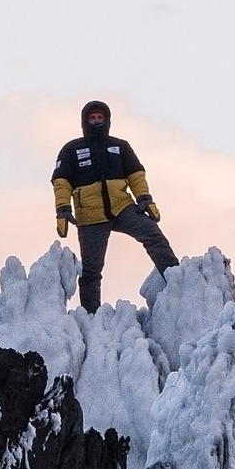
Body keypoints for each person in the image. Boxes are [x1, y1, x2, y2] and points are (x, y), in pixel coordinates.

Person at [53, 100, 179, 311]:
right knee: (92, 270)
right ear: (84, 122)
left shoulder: (120, 146)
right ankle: (92, 316)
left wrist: (145, 198)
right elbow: (61, 182)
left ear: (107, 120)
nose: (96, 121)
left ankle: (178, 281)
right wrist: (63, 209)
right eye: (92, 118)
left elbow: (136, 174)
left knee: (154, 237)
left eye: (100, 118)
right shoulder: (71, 150)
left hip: (123, 207)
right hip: (90, 216)